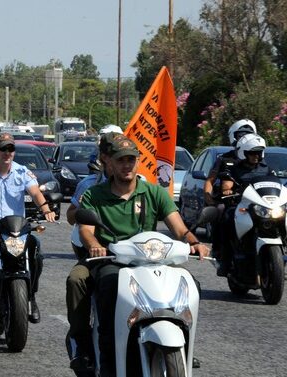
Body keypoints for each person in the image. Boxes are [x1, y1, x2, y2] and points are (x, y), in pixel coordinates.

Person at [77, 137, 209, 376]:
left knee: (191, 283)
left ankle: (185, 344)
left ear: (138, 162)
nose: (126, 165)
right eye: (121, 160)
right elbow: (86, 230)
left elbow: (178, 228)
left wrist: (194, 242)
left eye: (131, 160)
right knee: (108, 286)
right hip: (112, 261)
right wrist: (96, 245)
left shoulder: (154, 192)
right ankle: (106, 353)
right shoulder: (95, 195)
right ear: (110, 164)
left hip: (154, 260)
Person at [0, 133, 57, 323]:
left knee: (36, 250)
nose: (7, 153)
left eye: (11, 149)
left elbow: (36, 193)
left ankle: (31, 296)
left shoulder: (23, 172)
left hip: (17, 229)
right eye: (3, 149)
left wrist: (47, 210)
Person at [63, 132, 124, 374]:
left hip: (136, 256)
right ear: (104, 160)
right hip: (96, 253)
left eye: (128, 158)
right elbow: (71, 216)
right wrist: (86, 220)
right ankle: (81, 344)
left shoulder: (142, 186)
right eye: (115, 157)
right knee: (77, 279)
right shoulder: (89, 186)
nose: (123, 164)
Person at [218, 133, 272, 277]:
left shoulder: (265, 168)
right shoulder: (235, 168)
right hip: (243, 205)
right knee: (228, 218)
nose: (256, 156)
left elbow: (275, 183)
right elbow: (227, 184)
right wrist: (228, 190)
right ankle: (225, 260)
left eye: (258, 153)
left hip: (263, 206)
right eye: (252, 153)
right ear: (244, 153)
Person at [203, 119, 256, 265]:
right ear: (234, 136)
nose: (244, 137)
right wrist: (209, 198)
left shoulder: (257, 159)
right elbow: (209, 181)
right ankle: (219, 250)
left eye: (248, 134)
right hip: (230, 201)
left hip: (254, 201)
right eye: (241, 134)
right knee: (221, 212)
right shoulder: (224, 159)